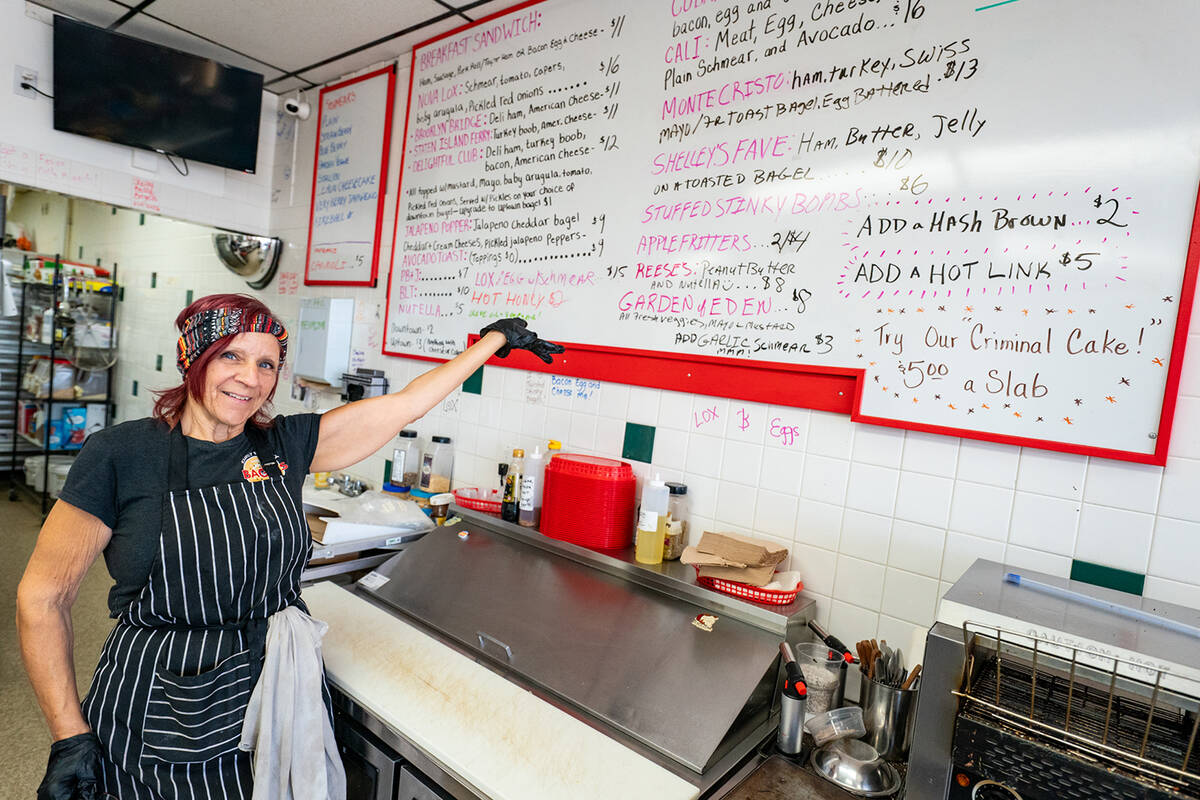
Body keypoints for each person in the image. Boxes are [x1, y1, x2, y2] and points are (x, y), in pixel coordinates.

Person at [16, 293, 563, 799]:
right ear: (194, 360)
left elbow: (405, 406)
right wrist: (69, 734)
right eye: (231, 356)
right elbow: (43, 599)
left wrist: (492, 341)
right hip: (162, 694)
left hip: (274, 683)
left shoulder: (283, 444)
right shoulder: (121, 454)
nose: (249, 379)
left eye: (266, 364)